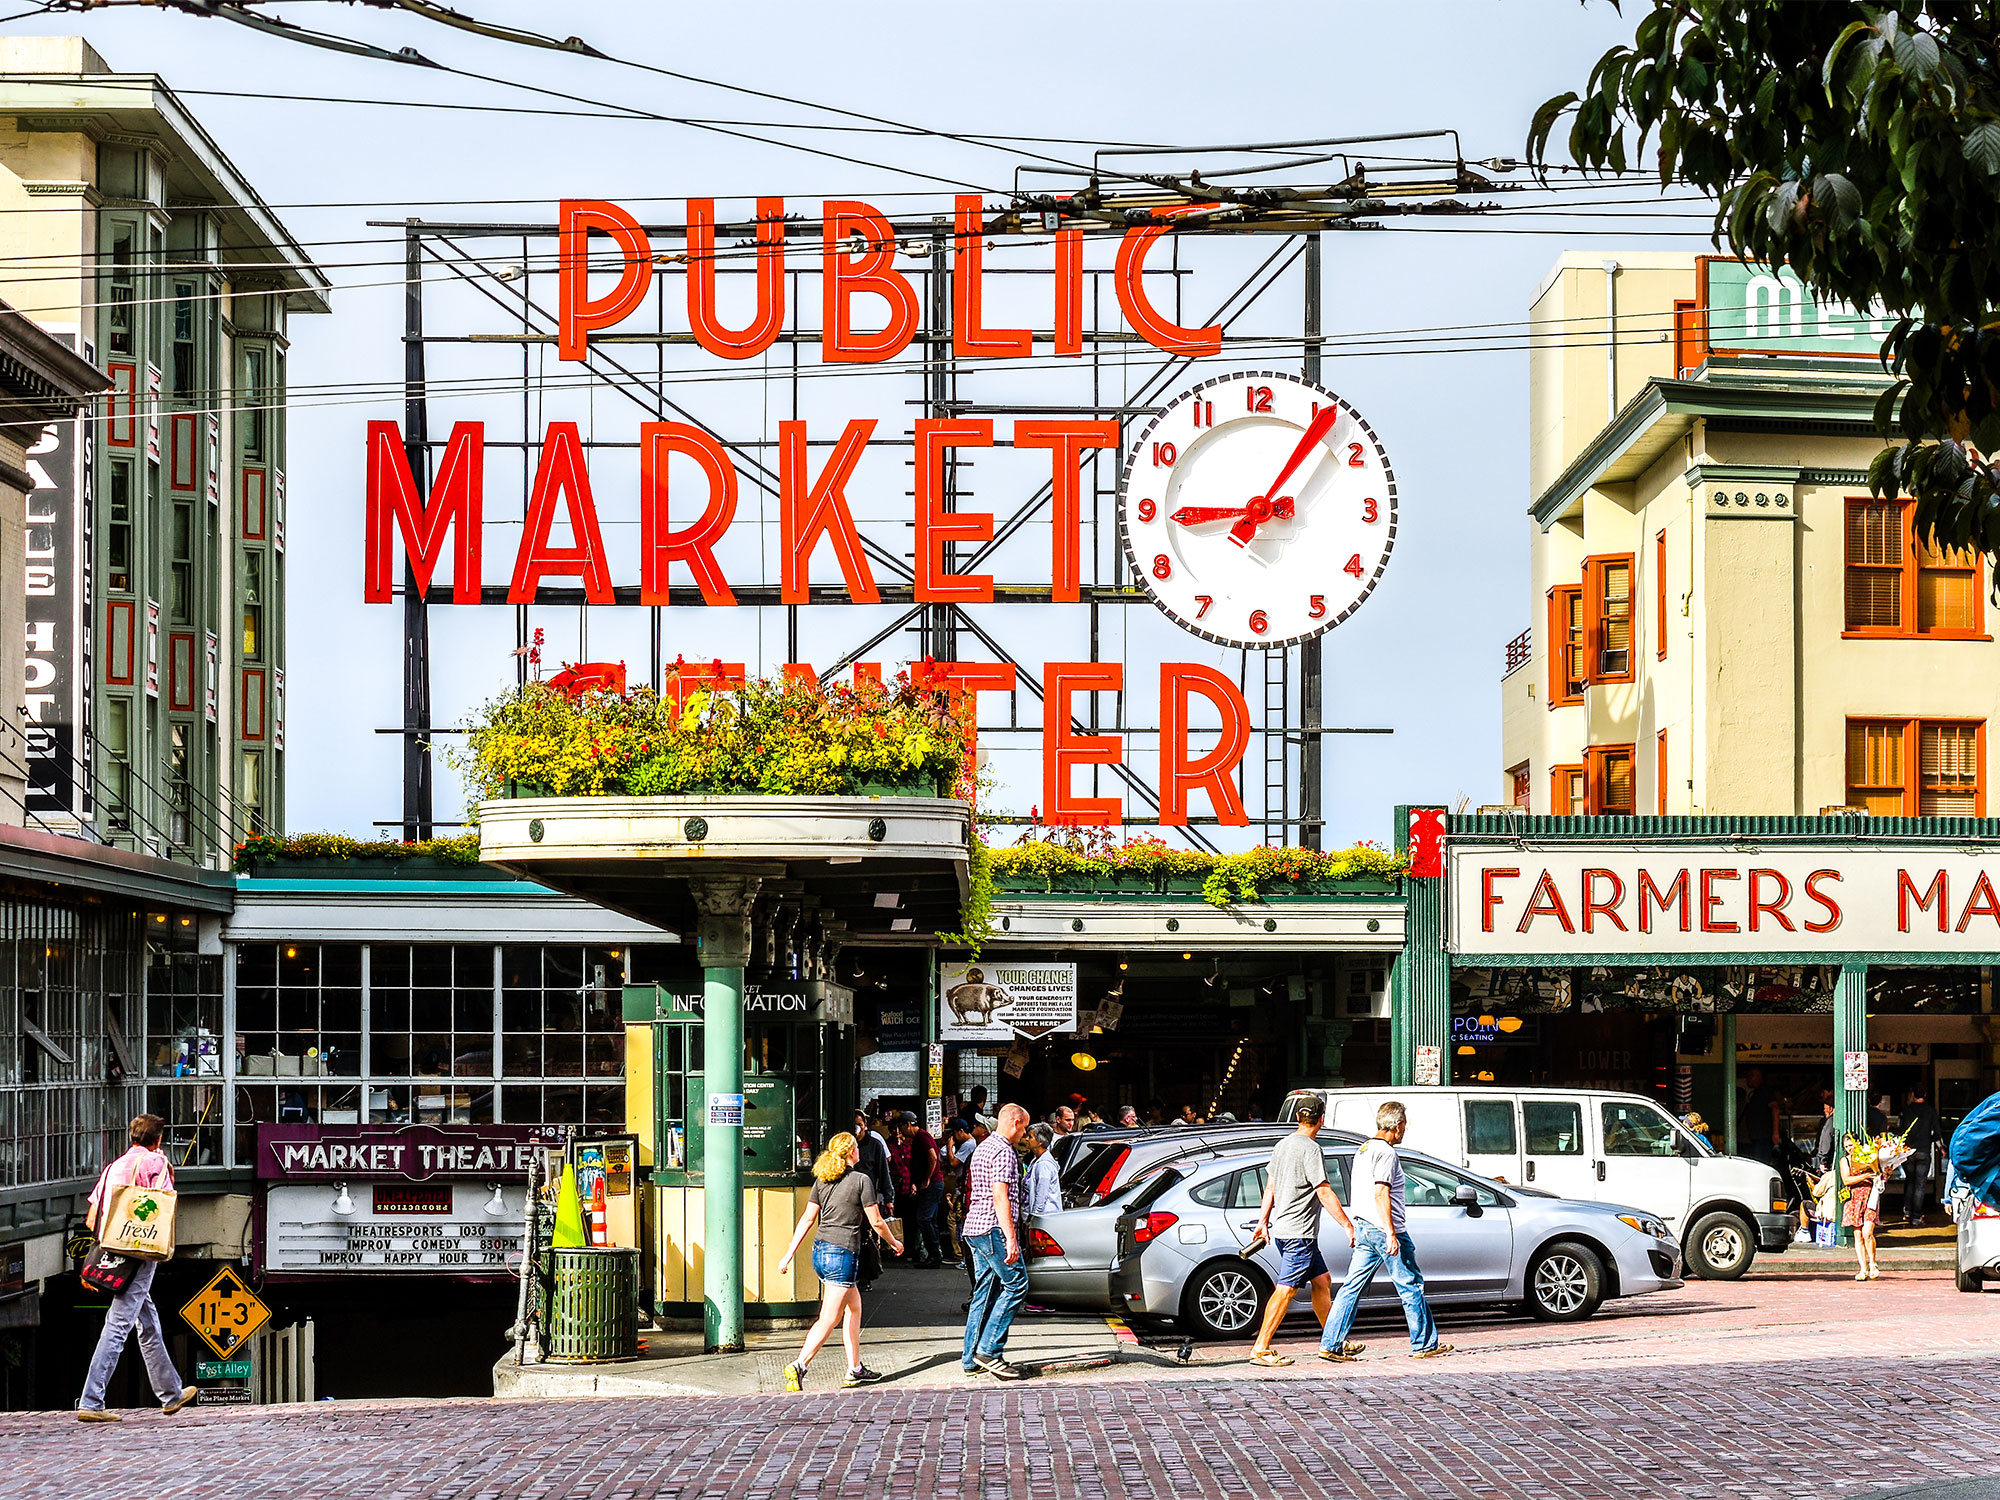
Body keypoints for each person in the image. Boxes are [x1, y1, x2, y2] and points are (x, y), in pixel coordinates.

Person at [77, 1115, 197, 1421]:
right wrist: (165, 1166)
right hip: (141, 1250)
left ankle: (170, 1394)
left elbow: (93, 1217)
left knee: (147, 1321)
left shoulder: (113, 1167)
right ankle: (91, 1400)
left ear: (132, 1137)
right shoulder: (155, 1164)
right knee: (118, 1326)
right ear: (157, 1140)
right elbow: (166, 1204)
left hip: (111, 1247)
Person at [1320, 1101, 1455, 1361]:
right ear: (1396, 1126)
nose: (1405, 1129)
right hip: (1383, 1229)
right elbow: (1381, 1191)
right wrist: (1391, 1232)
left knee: (1351, 1287)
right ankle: (1424, 1344)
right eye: (1403, 1124)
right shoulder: (1386, 1153)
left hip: (1364, 1226)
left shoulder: (1364, 1149)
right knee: (1410, 1285)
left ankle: (1331, 1342)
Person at [777, 1132, 904, 1390]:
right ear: (851, 1153)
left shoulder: (822, 1180)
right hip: (843, 1254)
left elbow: (807, 1219)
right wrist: (895, 1243)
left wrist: (788, 1253)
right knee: (829, 1317)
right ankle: (799, 1365)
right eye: (856, 1148)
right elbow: (877, 1222)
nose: (860, 1151)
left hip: (821, 1252)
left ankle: (854, 1369)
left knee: (854, 1308)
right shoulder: (861, 1181)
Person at [1246, 1095, 1357, 1368]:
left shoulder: (1282, 1145)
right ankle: (1260, 1348)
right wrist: (1347, 1224)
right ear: (1321, 1119)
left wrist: (1263, 1221)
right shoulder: (1311, 1149)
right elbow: (1323, 1190)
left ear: (1297, 1118)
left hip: (1286, 1229)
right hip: (1300, 1233)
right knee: (1285, 1290)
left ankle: (1334, 1341)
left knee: (1322, 1281)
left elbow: (1270, 1187)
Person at [960, 1102, 1032, 1380]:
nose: (1024, 1134)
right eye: (1024, 1128)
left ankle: (971, 1357)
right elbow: (1000, 1196)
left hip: (975, 1227)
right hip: (993, 1228)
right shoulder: (1003, 1151)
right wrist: (1011, 1239)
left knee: (985, 1291)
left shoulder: (984, 1146)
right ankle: (989, 1350)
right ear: (1015, 1123)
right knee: (1017, 1285)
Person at [902, 1114, 944, 1267]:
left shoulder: (922, 1137)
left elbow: (932, 1156)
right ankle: (935, 1253)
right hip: (930, 1183)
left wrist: (927, 1178)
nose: (900, 1131)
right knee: (930, 1219)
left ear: (907, 1124)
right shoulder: (920, 1137)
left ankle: (934, 1254)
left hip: (931, 1184)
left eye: (901, 1126)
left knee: (924, 1218)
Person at [1902, 1085, 1944, 1226]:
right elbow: (1936, 1132)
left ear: (1913, 1093)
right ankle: (1916, 1217)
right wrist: (1938, 1146)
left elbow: (1902, 1130)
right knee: (1920, 1184)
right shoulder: (1930, 1111)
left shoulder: (1907, 1110)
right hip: (1924, 1151)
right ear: (1925, 1094)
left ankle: (1907, 1211)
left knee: (1910, 1181)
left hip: (1909, 1151)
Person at [1841, 1133, 1881, 1280]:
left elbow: (1879, 1173)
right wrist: (1865, 1176)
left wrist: (1880, 1173)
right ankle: (1863, 1269)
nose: (1849, 1149)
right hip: (1854, 1199)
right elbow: (1846, 1180)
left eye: (1851, 1145)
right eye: (1846, 1147)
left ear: (1858, 1142)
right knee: (1857, 1235)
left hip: (1870, 1197)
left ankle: (1873, 1264)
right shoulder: (1845, 1161)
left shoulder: (1869, 1156)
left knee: (1867, 1232)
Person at [1741, 1068, 1782, 1165]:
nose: (1747, 1080)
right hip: (1757, 1137)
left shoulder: (1765, 1091)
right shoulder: (1756, 1092)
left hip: (1764, 1137)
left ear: (1757, 1077)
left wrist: (1775, 1133)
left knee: (1762, 1165)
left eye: (1750, 1076)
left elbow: (1775, 1108)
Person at [1023, 1122, 1062, 1219]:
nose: (1027, 1139)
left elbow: (1041, 1194)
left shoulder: (1044, 1164)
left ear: (1040, 1142)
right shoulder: (1035, 1160)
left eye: (1030, 1137)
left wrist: (1034, 1217)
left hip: (1044, 1217)